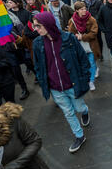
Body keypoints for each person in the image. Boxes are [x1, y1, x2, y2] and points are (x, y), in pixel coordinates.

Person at [32, 11, 91, 153]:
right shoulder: (37, 43)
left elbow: (83, 59)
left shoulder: (68, 38)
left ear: (47, 24)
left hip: (72, 84)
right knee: (68, 112)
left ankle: (85, 111)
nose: (36, 29)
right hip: (55, 87)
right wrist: (42, 80)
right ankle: (79, 135)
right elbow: (38, 66)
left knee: (79, 108)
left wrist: (85, 78)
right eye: (35, 26)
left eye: (38, 26)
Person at [68, 1, 100, 91]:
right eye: (82, 9)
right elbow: (70, 33)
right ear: (77, 11)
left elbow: (94, 32)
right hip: (80, 46)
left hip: (91, 45)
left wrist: (83, 36)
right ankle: (93, 72)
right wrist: (76, 36)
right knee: (84, 64)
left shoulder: (91, 19)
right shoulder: (72, 21)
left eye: (85, 8)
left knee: (91, 63)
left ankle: (91, 81)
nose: (84, 11)